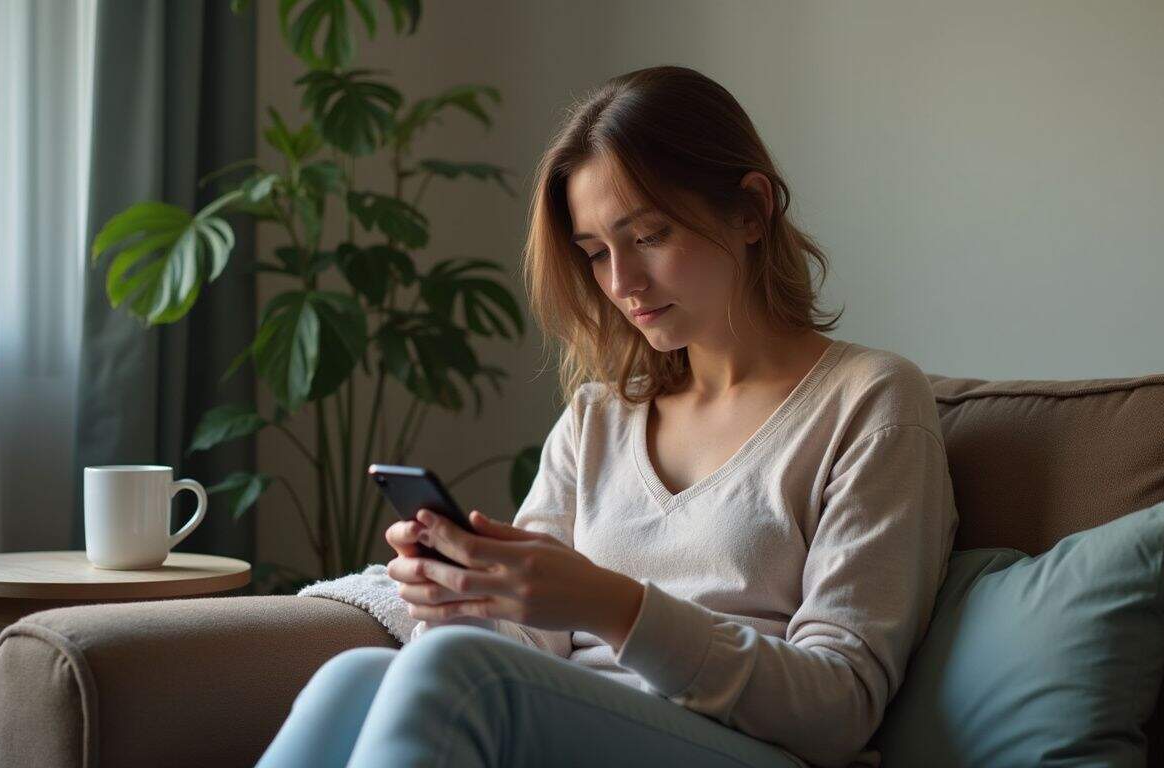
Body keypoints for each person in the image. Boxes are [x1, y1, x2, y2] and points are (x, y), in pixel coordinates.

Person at [255, 64, 958, 768]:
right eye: (595, 253)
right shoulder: (601, 417)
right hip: (576, 730)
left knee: (461, 677)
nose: (622, 283)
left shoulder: (871, 401)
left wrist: (615, 607)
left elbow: (840, 705)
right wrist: (462, 599)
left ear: (750, 209)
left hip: (752, 749)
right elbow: (528, 646)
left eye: (648, 236)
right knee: (354, 678)